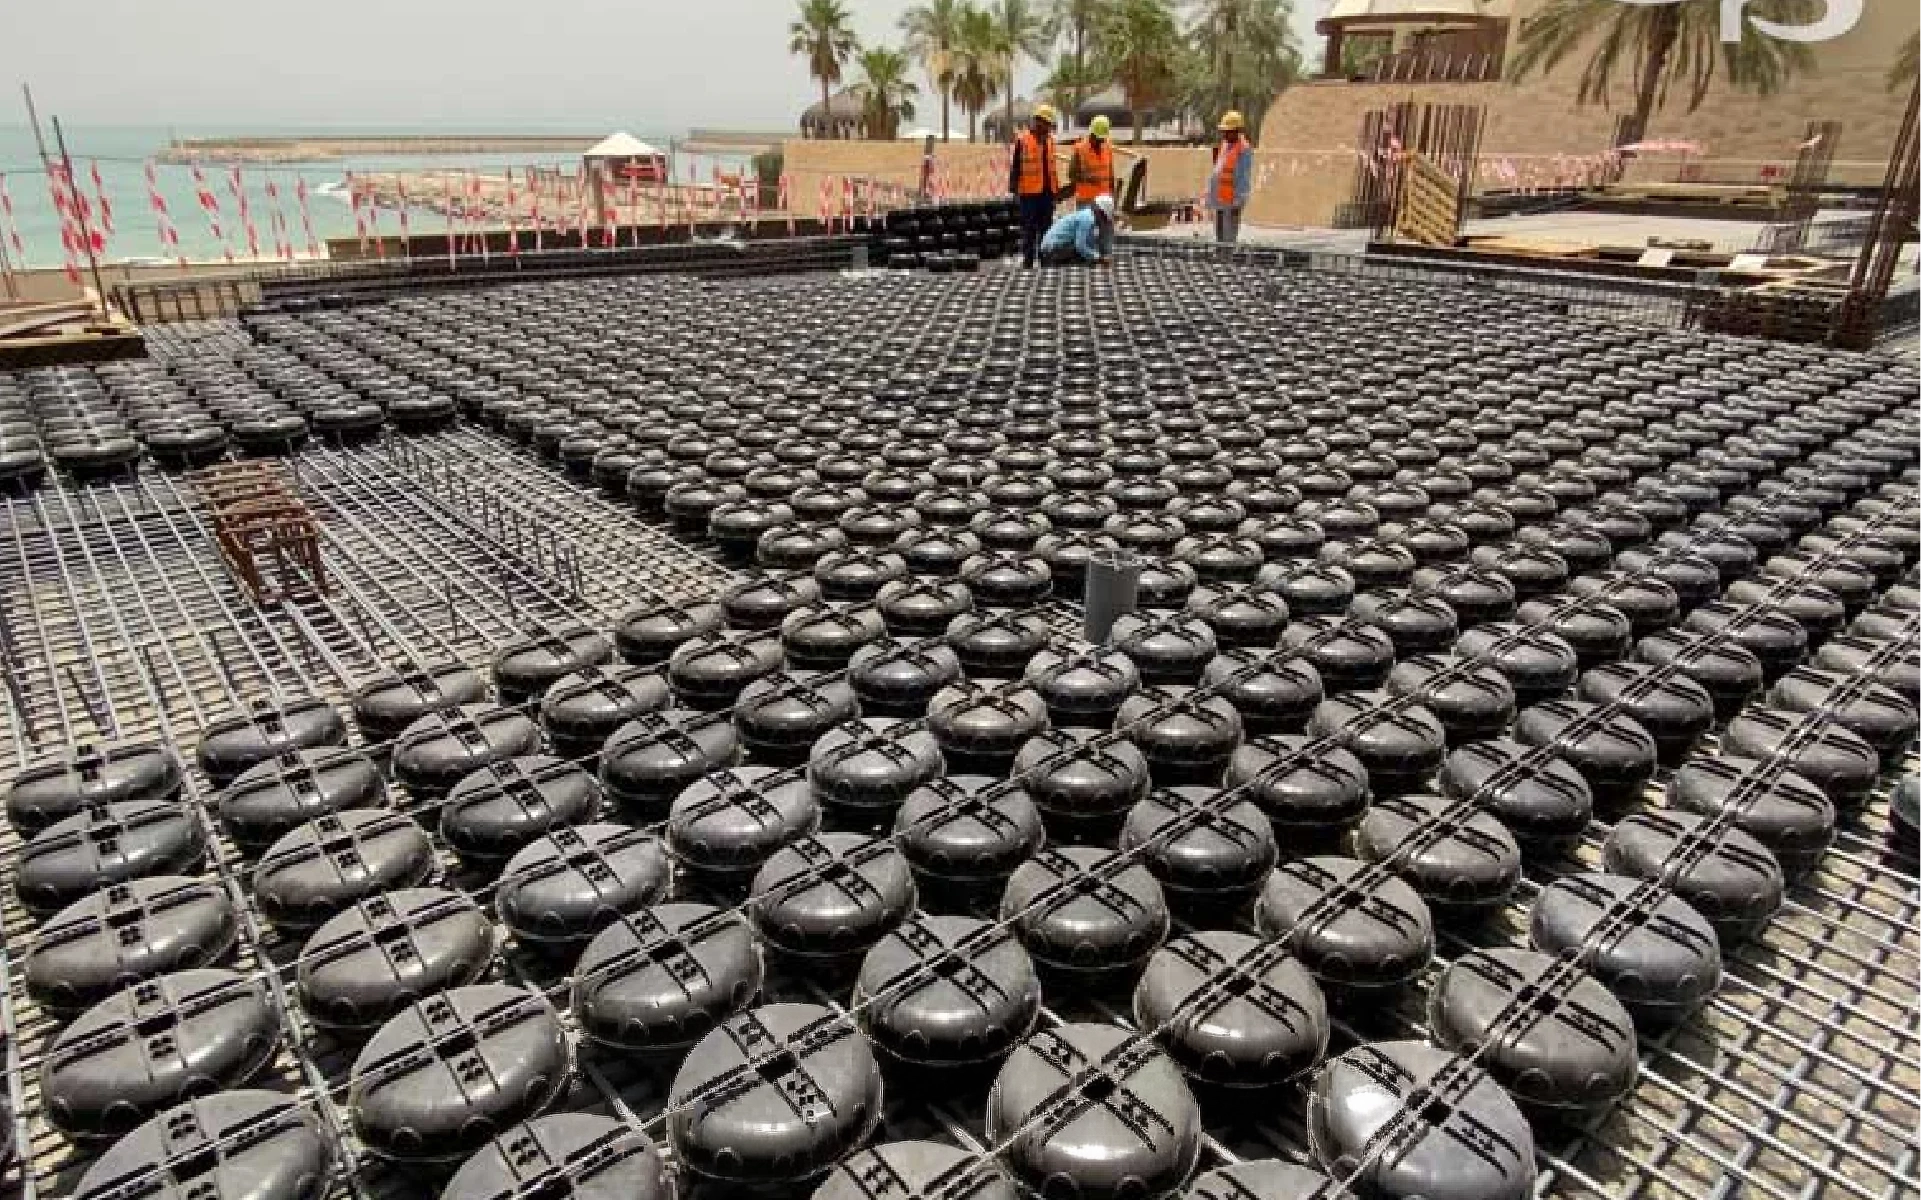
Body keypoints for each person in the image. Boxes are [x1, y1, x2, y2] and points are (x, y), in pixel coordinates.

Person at [1009, 104, 1060, 269]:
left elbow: (1052, 169)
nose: (1048, 128)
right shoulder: (1023, 141)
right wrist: (1014, 190)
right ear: (1039, 122)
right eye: (1047, 124)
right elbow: (1016, 167)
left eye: (1050, 125)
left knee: (1046, 230)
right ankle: (1028, 263)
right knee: (1029, 230)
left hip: (1047, 194)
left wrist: (1056, 193)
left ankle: (1045, 261)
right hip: (1029, 194)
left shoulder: (1050, 141)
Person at [1070, 116, 1119, 260]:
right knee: (1087, 230)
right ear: (1091, 134)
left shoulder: (1107, 147)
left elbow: (1110, 173)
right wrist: (1087, 178)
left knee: (1107, 227)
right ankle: (1089, 258)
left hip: (1104, 199)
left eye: (1102, 138)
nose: (1100, 141)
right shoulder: (1080, 149)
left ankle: (1106, 255)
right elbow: (1072, 174)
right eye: (1098, 138)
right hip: (1086, 198)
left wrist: (1113, 196)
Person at [1208, 110, 1254, 245]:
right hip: (1220, 200)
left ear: (1238, 131)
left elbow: (1244, 178)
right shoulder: (1225, 144)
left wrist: (1237, 203)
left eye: (1228, 131)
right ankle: (1220, 254)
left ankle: (1227, 256)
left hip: (1232, 201)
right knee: (1219, 236)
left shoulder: (1244, 149)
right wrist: (1210, 194)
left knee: (1228, 238)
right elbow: (1219, 168)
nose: (1225, 134)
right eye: (1224, 131)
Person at [1039, 194, 1115, 266]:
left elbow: (1089, 243)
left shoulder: (1086, 215)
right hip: (1051, 251)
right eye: (1104, 217)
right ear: (1099, 211)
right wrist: (1099, 258)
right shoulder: (1087, 218)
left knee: (1089, 254)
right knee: (1085, 255)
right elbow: (1080, 246)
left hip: (1051, 249)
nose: (1103, 221)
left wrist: (1098, 255)